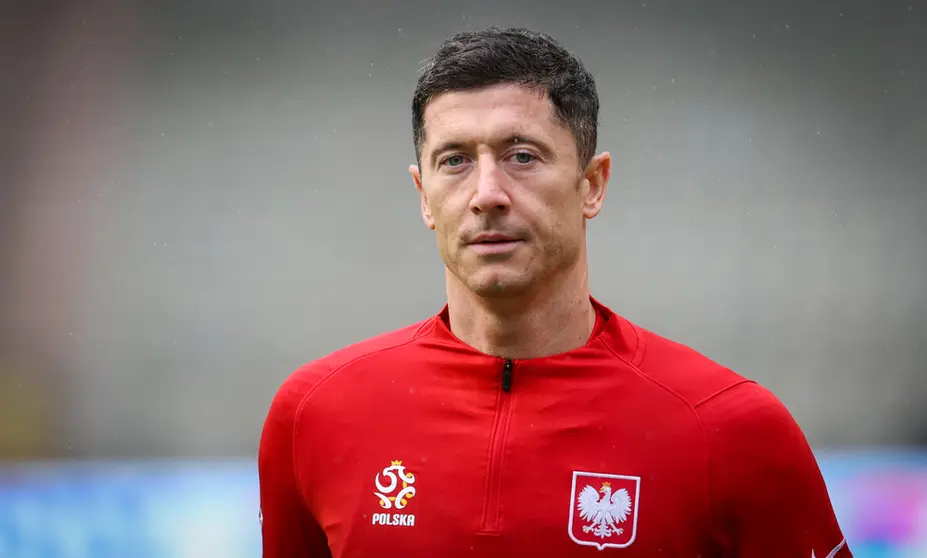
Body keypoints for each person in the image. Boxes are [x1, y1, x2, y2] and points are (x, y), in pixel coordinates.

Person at [258, 27, 851, 557]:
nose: (487, 192)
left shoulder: (731, 428)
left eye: (522, 156)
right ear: (423, 196)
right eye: (455, 160)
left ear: (592, 185)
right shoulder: (313, 415)